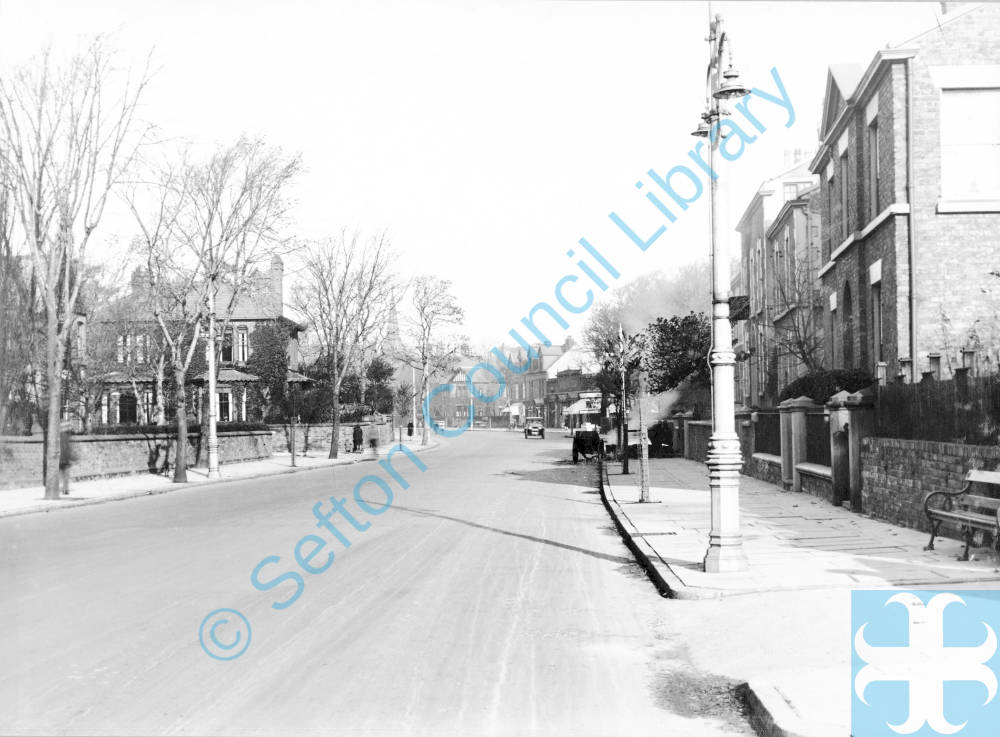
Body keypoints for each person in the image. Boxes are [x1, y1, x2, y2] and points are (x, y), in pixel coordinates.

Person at [58, 421, 75, 495]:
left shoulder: (59, 436)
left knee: (62, 476)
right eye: (68, 427)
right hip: (64, 459)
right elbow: (66, 449)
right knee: (66, 476)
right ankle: (65, 490)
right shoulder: (65, 437)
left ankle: (63, 489)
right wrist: (72, 457)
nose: (70, 428)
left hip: (60, 459)